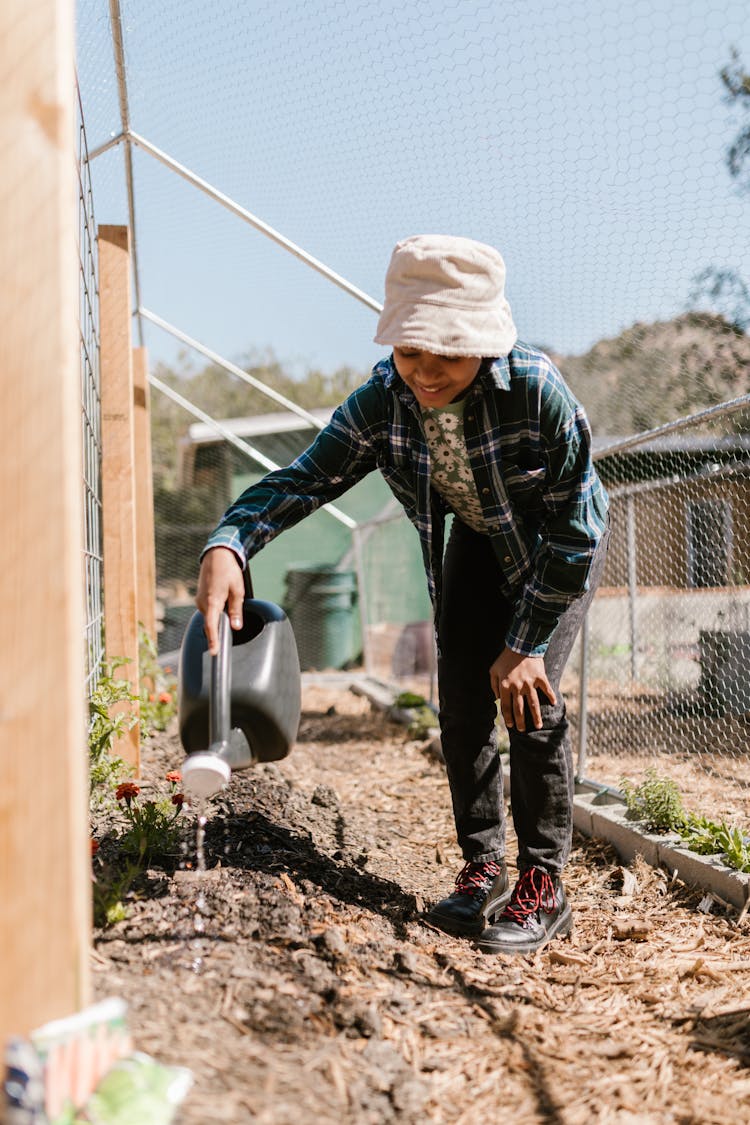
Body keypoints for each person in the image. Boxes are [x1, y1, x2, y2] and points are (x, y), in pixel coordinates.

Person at [196, 234, 609, 956]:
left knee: (529, 700)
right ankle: (483, 868)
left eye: (445, 353)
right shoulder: (383, 401)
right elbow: (303, 481)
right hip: (479, 543)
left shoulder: (538, 391)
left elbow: (581, 520)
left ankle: (544, 884)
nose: (424, 372)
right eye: (410, 351)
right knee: (463, 704)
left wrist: (527, 642)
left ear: (484, 342)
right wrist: (230, 540)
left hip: (552, 549)